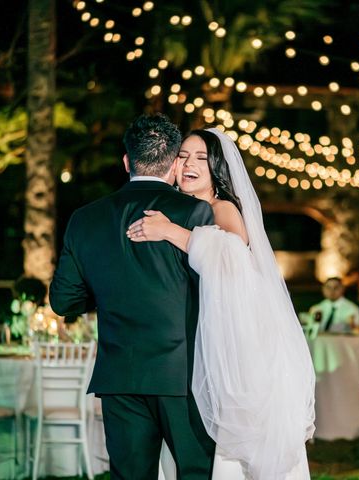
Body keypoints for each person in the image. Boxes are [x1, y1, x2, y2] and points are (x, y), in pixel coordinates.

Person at [126, 128, 315, 479]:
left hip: (233, 347)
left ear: (217, 168)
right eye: (183, 155)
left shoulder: (221, 207)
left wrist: (171, 232)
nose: (190, 164)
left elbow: (231, 257)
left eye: (201, 157)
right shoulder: (179, 210)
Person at [49, 114, 216, 479]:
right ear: (174, 164)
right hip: (182, 374)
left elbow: (64, 302)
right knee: (197, 473)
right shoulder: (194, 211)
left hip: (120, 373)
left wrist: (105, 291)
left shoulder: (84, 218)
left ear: (127, 161)